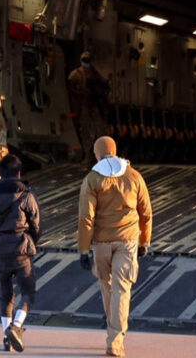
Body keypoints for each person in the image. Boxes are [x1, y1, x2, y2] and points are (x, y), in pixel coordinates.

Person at [78, 136, 153, 357]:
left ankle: (113, 334)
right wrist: (145, 240)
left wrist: (83, 248)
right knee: (122, 290)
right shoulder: (134, 176)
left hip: (101, 243)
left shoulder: (92, 179)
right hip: (128, 241)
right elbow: (146, 212)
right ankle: (115, 341)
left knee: (107, 288)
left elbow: (85, 218)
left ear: (97, 154)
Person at [0, 155, 41, 353]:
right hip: (21, 248)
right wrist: (32, 241)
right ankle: (16, 326)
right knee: (28, 292)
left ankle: (7, 338)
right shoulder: (26, 195)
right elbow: (36, 225)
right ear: (18, 173)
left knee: (6, 294)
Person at [68, 51, 112, 161]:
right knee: (86, 131)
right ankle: (88, 155)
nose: (86, 63)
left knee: (100, 131)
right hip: (84, 105)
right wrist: (82, 94)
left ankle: (101, 155)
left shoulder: (96, 74)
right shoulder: (77, 74)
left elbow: (104, 87)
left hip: (95, 105)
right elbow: (70, 88)